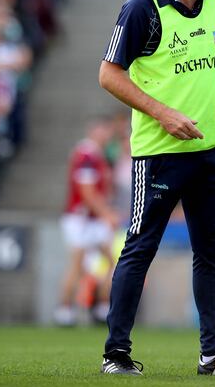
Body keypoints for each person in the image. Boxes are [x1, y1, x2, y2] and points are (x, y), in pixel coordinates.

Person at [98, 0, 215, 376]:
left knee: (212, 252)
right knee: (139, 249)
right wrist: (163, 113)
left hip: (213, 152)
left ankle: (213, 352)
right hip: (160, 153)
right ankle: (117, 353)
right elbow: (109, 75)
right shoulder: (141, 8)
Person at [54, 116, 119, 326]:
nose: (106, 134)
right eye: (104, 129)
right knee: (77, 264)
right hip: (81, 218)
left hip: (92, 219)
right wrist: (106, 214)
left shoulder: (98, 155)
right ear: (94, 130)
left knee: (111, 263)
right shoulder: (86, 154)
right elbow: (87, 193)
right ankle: (64, 311)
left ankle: (100, 307)